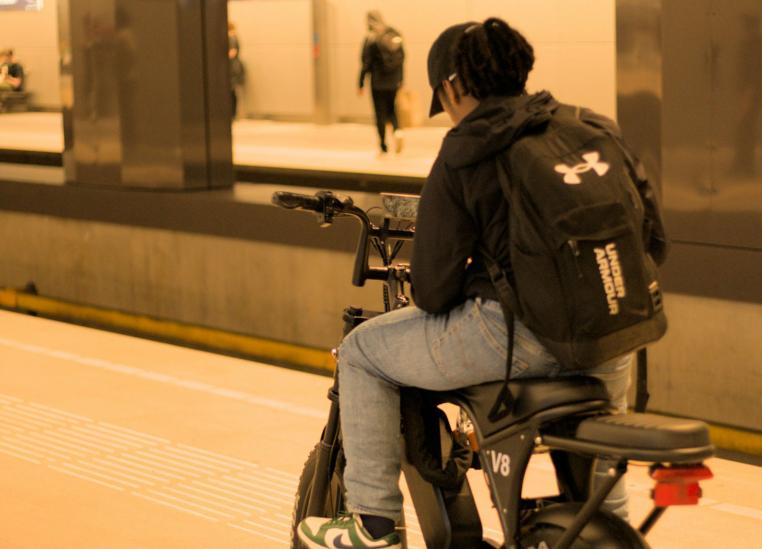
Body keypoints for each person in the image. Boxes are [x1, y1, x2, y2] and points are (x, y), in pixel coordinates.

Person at [298, 18, 668, 549]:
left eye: (442, 99)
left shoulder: (469, 147)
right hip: (613, 335)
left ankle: (373, 525)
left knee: (361, 353)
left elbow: (432, 290)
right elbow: (655, 242)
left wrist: (480, 277)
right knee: (602, 501)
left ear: (452, 87)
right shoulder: (590, 126)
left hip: (519, 338)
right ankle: (608, 532)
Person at [358, 11, 404, 154]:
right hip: (394, 82)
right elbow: (402, 58)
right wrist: (401, 79)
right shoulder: (395, 35)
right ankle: (397, 132)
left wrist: (360, 83)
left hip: (378, 83)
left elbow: (366, 63)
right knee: (392, 110)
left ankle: (383, 145)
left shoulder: (371, 39)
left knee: (380, 113)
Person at [228, 22, 245, 119]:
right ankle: (233, 113)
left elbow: (232, 53)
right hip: (235, 67)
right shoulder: (233, 37)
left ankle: (232, 113)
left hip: (233, 68)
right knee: (232, 91)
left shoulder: (232, 38)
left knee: (232, 91)